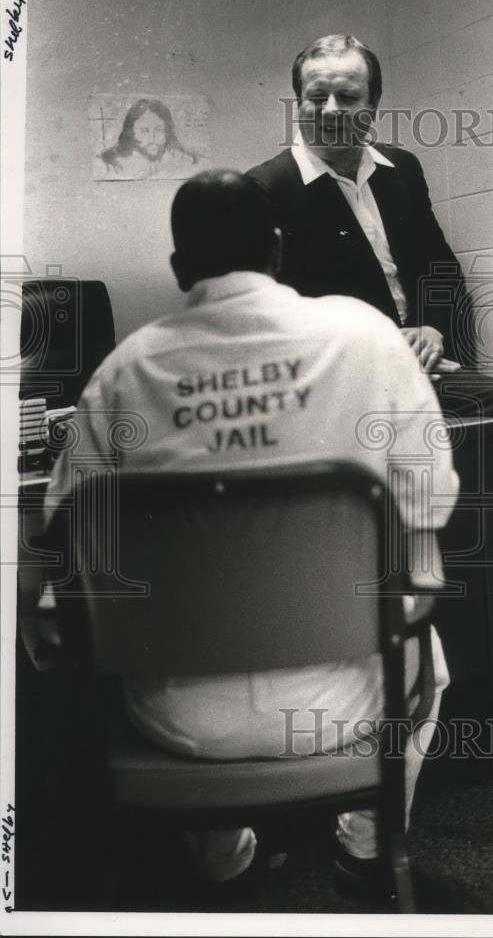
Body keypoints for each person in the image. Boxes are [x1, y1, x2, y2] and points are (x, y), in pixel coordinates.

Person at [44, 169, 459, 898]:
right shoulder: (366, 336)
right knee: (427, 637)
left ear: (178, 270)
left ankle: (223, 860)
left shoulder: (118, 375)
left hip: (178, 720)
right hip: (353, 701)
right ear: (277, 247)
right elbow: (432, 500)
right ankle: (366, 851)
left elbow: (70, 550)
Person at [247, 33, 493, 695]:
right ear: (296, 100)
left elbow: (439, 270)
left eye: (348, 95)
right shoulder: (265, 190)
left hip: (423, 368)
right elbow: (272, 315)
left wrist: (435, 330)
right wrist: (374, 343)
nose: (331, 108)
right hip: (342, 384)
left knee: (492, 443)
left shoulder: (401, 169)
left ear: (374, 104)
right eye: (315, 94)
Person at [96, 98, 201, 180]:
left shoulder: (186, 160)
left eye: (159, 130)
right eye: (144, 131)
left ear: (167, 131)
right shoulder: (112, 165)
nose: (152, 139)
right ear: (131, 133)